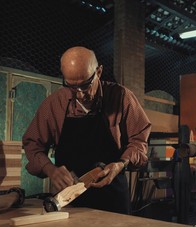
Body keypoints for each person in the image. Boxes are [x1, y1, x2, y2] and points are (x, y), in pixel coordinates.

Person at [22, 46, 152, 214]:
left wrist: (120, 164)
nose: (80, 94)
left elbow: (139, 142)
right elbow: (32, 145)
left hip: (113, 200)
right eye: (71, 87)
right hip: (69, 202)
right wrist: (50, 169)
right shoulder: (54, 104)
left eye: (85, 85)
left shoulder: (122, 97)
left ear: (98, 72)